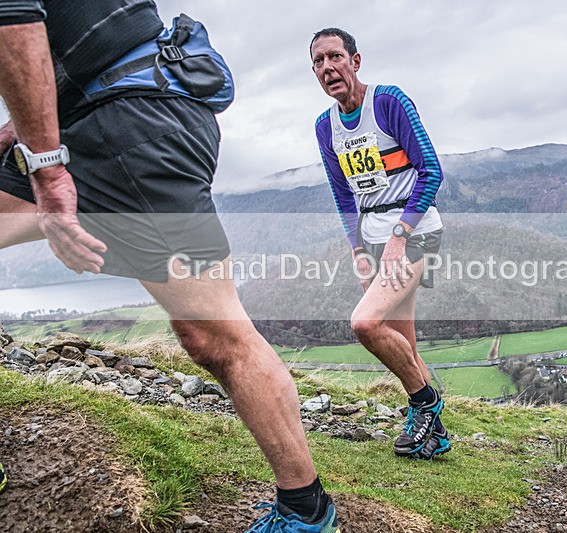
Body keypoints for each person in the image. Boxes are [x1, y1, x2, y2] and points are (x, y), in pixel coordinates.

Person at [0, 3, 338, 531]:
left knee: (218, 335)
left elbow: (15, 20)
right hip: (112, 113)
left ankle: (306, 510)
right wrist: (24, 128)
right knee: (204, 336)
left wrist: (44, 165)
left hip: (126, 124)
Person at [311, 28, 450, 460]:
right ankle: (437, 435)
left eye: (335, 56)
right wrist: (357, 249)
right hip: (371, 237)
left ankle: (424, 402)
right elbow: (343, 195)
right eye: (317, 61)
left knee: (366, 324)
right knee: (399, 335)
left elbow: (431, 173)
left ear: (355, 60)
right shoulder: (324, 126)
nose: (327, 67)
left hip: (413, 232)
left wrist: (399, 236)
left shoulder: (388, 102)